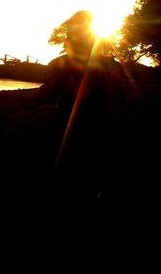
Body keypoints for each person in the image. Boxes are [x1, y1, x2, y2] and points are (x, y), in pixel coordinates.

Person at [39, 10, 122, 200]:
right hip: (99, 125)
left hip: (68, 125)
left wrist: (33, 101)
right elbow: (118, 97)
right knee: (92, 172)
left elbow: (48, 92)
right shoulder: (110, 65)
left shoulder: (60, 63)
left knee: (67, 173)